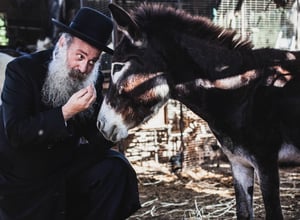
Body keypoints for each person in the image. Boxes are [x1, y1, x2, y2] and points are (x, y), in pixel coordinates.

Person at [0, 7, 140, 220]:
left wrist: (118, 122)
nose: (84, 68)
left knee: (116, 168)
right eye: (80, 56)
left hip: (62, 165)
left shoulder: (89, 80)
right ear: (63, 44)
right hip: (23, 173)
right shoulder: (21, 71)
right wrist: (65, 113)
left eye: (92, 61)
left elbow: (95, 141)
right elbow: (16, 132)